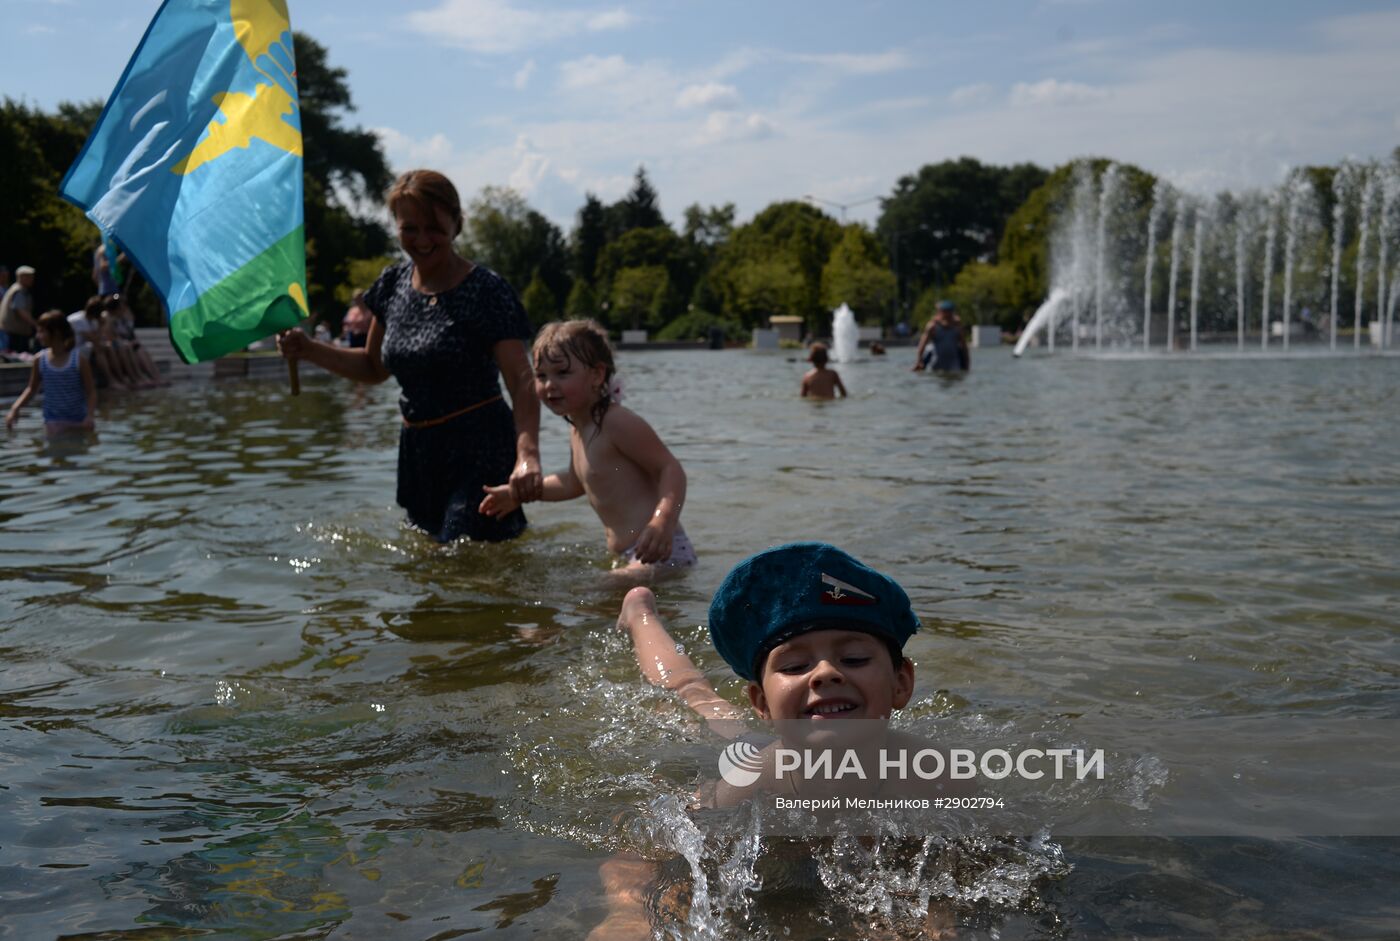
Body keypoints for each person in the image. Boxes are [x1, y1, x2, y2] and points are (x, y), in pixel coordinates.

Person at [595, 543, 964, 939]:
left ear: (901, 683)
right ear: (762, 703)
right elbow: (648, 845)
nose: (824, 674)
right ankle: (641, 615)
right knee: (694, 697)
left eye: (854, 659)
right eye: (794, 666)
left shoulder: (934, 777)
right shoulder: (751, 785)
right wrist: (628, 912)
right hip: (749, 751)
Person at [277, 169, 542, 542]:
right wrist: (308, 349)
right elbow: (373, 368)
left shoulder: (487, 290)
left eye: (433, 227)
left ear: (456, 222)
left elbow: (521, 380)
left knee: (462, 556)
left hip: (479, 450)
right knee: (429, 566)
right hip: (418, 454)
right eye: (409, 228)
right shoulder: (391, 285)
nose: (421, 239)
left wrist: (527, 453)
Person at [479, 319, 694, 570]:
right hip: (632, 555)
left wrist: (662, 522)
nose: (549, 385)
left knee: (590, 597)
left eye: (562, 373)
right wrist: (519, 494)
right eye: (541, 375)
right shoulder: (578, 428)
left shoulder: (616, 422)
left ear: (596, 374)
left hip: (660, 550)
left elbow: (670, 468)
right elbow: (573, 483)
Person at [6, 310, 97, 435]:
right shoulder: (40, 360)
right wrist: (15, 409)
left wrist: (90, 416)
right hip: (53, 423)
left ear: (57, 333)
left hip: (79, 422)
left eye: (42, 331)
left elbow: (91, 391)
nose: (38, 336)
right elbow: (32, 389)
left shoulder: (78, 360)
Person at [68, 296, 127, 390]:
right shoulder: (78, 320)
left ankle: (120, 379)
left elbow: (98, 339)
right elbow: (95, 340)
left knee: (109, 347)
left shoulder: (91, 320)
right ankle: (111, 381)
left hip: (84, 348)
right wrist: (101, 325)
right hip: (72, 350)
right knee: (97, 348)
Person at [913, 300, 969, 372]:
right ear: (940, 312)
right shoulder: (932, 326)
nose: (947, 314)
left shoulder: (957, 327)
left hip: (954, 364)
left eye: (949, 311)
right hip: (936, 363)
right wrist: (919, 361)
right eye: (944, 312)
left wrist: (967, 364)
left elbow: (964, 347)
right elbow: (922, 344)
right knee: (929, 349)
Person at [1, 265, 38, 354]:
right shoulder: (19, 290)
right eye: (29, 276)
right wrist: (36, 324)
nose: (32, 279)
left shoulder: (14, 288)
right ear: (21, 277)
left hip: (11, 332)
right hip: (14, 334)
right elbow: (21, 311)